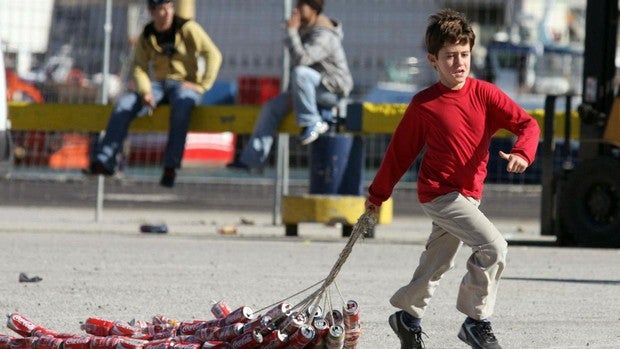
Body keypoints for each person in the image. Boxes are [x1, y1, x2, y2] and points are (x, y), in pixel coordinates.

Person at [364, 9, 540, 349]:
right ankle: (476, 322)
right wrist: (377, 194)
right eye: (449, 57)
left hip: (469, 195)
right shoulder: (424, 105)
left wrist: (523, 152)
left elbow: (528, 125)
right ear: (433, 60)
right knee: (493, 247)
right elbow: (399, 154)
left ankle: (407, 316)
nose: (459, 63)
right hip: (439, 194)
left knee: (437, 261)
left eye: (464, 55)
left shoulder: (485, 94)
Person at [84, 0, 222, 187]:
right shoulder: (147, 34)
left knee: (182, 107)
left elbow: (213, 54)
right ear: (151, 11)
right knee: (124, 105)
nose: (166, 13)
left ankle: (170, 167)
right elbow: (139, 66)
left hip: (184, 85)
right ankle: (104, 160)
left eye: (169, 7)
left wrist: (202, 86)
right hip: (157, 86)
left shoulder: (187, 28)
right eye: (161, 9)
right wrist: (145, 90)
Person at [226, 0, 353, 173]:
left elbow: (303, 61)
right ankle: (253, 160)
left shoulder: (325, 35)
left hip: (333, 92)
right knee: (271, 107)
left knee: (301, 72)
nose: (297, 10)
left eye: (302, 6)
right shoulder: (306, 31)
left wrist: (292, 32)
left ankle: (311, 122)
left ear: (314, 10)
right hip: (314, 91)